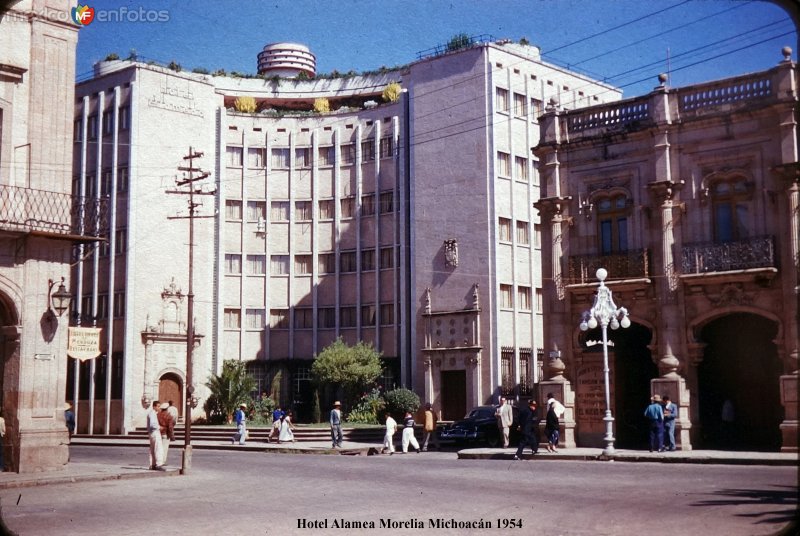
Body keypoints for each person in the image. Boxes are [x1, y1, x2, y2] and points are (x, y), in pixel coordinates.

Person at [147, 400, 164, 470]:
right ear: (154, 406)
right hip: (155, 432)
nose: (159, 408)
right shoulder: (153, 413)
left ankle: (152, 464)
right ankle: (159, 464)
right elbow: (152, 424)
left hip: (151, 433)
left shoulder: (151, 413)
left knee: (152, 449)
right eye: (158, 406)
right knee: (158, 448)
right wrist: (159, 427)